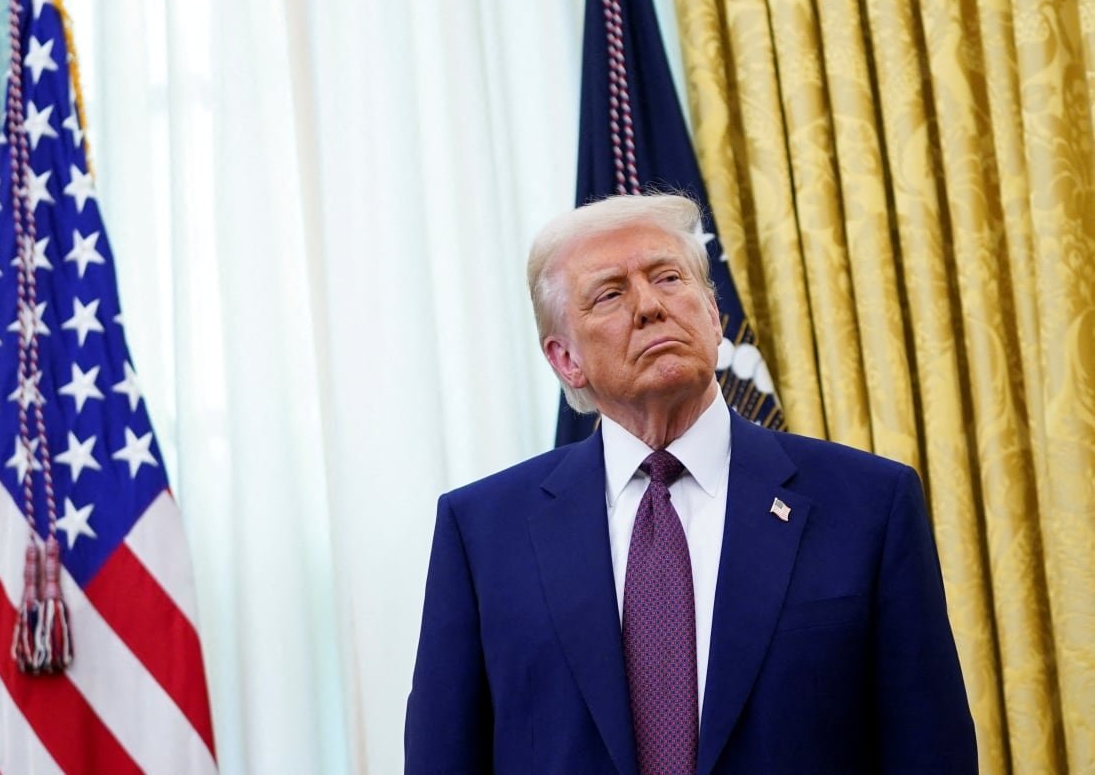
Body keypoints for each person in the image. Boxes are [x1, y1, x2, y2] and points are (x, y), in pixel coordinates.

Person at [405, 194, 977, 773]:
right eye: (610, 293)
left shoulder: (868, 505)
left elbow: (931, 750)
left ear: (710, 312)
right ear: (565, 360)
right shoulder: (481, 532)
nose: (650, 306)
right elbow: (442, 754)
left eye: (669, 277)